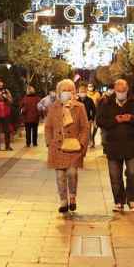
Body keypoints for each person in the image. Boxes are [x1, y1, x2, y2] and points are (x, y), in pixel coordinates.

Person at [97, 79, 134, 212]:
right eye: (118, 91)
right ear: (114, 89)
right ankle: (119, 201)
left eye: (123, 91)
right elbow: (100, 120)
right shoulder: (106, 102)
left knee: (132, 173)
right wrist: (114, 120)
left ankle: (132, 200)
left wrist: (131, 118)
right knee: (115, 175)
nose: (120, 93)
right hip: (113, 144)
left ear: (127, 90)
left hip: (131, 144)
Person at [44, 79, 90, 214]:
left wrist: (82, 143)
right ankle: (63, 201)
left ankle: (72, 197)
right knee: (60, 175)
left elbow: (85, 127)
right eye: (64, 90)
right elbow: (48, 126)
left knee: (72, 172)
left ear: (73, 92)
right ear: (59, 92)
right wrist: (49, 142)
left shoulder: (79, 107)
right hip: (57, 147)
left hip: (74, 146)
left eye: (69, 90)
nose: (66, 93)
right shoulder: (53, 107)